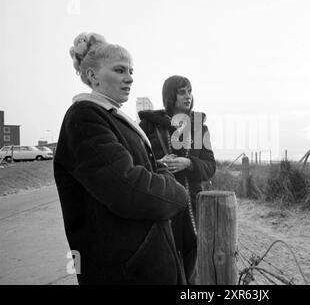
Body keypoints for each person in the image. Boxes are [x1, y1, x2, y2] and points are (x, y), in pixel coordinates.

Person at [54, 33, 196, 285]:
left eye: (131, 70)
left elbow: (152, 169)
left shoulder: (112, 117)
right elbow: (131, 189)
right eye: (119, 70)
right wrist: (179, 195)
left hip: (143, 266)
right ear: (92, 76)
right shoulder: (84, 118)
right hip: (123, 272)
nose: (130, 77)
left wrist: (159, 171)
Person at [138, 75, 216, 238]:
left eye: (190, 91)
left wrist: (189, 163)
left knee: (192, 257)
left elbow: (210, 166)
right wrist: (158, 163)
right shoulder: (148, 125)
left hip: (193, 208)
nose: (188, 96)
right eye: (182, 92)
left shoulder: (200, 128)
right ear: (169, 95)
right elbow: (135, 162)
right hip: (160, 204)